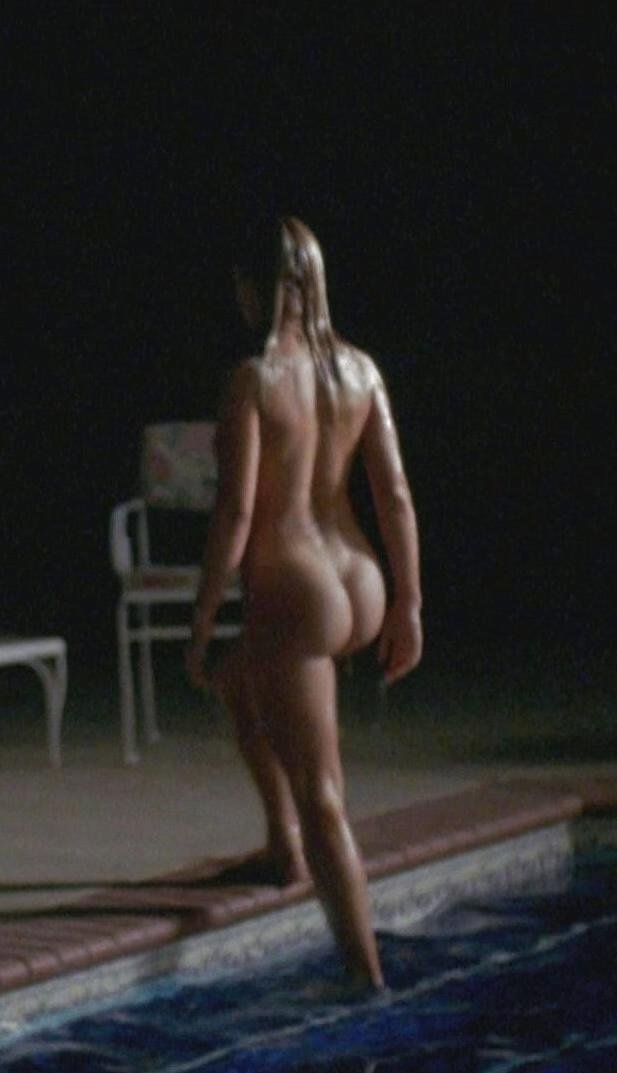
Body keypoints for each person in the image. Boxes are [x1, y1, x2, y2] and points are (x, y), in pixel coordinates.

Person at [186, 216, 422, 991]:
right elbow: (393, 493)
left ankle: (364, 975)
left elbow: (236, 513)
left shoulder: (254, 379)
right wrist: (409, 602)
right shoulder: (361, 370)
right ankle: (282, 843)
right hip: (359, 575)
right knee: (239, 677)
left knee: (325, 794)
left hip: (296, 586)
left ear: (255, 289)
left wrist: (202, 616)